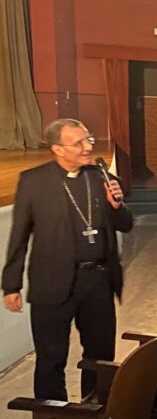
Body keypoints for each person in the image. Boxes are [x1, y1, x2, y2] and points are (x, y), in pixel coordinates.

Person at [2, 119, 132, 401]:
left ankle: (95, 412)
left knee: (101, 356)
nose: (87, 147)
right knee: (51, 358)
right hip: (52, 283)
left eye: (88, 140)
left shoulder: (101, 178)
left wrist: (117, 206)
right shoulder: (34, 181)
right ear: (58, 149)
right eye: (78, 143)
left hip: (98, 281)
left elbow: (125, 224)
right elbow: (19, 236)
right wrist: (11, 285)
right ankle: (52, 418)